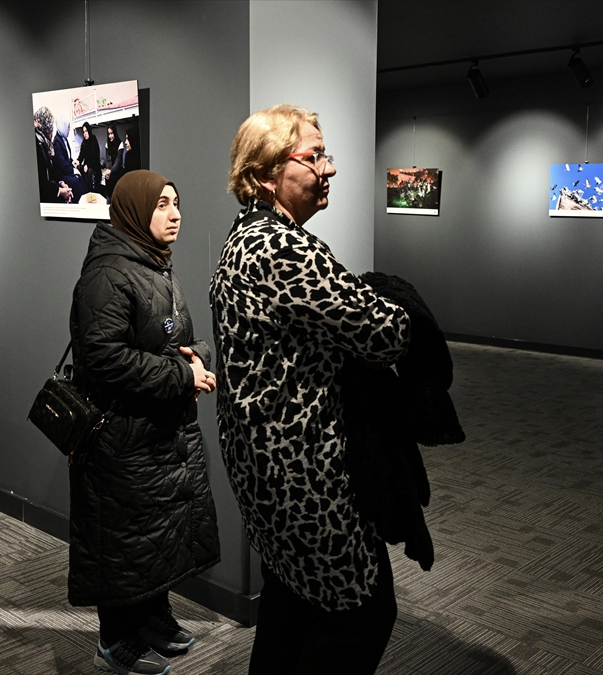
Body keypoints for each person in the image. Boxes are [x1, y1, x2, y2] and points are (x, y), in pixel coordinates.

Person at [210, 104, 411, 674]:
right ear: (265, 174)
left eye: (327, 155)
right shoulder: (284, 249)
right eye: (314, 156)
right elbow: (386, 333)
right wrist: (396, 304)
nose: (330, 168)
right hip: (305, 479)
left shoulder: (242, 240)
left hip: (262, 471)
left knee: (292, 601)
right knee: (363, 614)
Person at [69, 170, 221, 675]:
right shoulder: (108, 274)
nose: (175, 214)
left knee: (155, 537)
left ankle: (152, 619)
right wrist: (181, 374)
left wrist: (196, 359)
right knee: (122, 543)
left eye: (176, 202)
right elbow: (103, 359)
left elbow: (176, 338)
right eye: (161, 205)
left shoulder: (155, 263)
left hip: (156, 433)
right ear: (135, 212)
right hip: (122, 438)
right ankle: (115, 642)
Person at [77, 122, 102, 194]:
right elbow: (81, 156)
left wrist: (88, 165)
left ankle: (92, 192)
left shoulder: (94, 140)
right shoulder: (84, 143)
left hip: (95, 166)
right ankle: (86, 192)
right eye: (83, 132)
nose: (85, 134)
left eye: (86, 131)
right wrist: (77, 161)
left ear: (89, 131)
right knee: (80, 169)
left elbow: (96, 158)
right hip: (87, 167)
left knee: (90, 171)